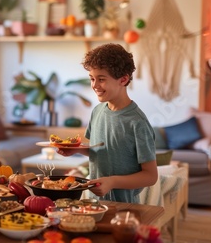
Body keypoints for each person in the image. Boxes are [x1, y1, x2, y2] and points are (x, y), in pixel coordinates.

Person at [57, 43, 158, 203]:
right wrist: (76, 149)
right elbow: (100, 152)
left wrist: (112, 182)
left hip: (125, 207)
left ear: (123, 79)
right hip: (94, 201)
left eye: (101, 79)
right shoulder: (97, 111)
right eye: (92, 79)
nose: (95, 85)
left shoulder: (137, 122)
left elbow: (151, 176)